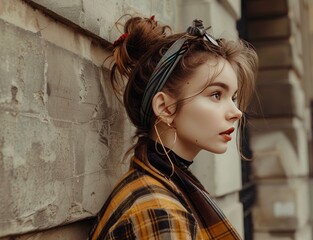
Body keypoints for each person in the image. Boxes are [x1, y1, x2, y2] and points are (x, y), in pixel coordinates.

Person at [89, 15, 258, 240]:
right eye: (216, 94)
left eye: (233, 97)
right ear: (165, 108)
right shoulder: (161, 213)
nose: (236, 112)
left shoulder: (164, 185)